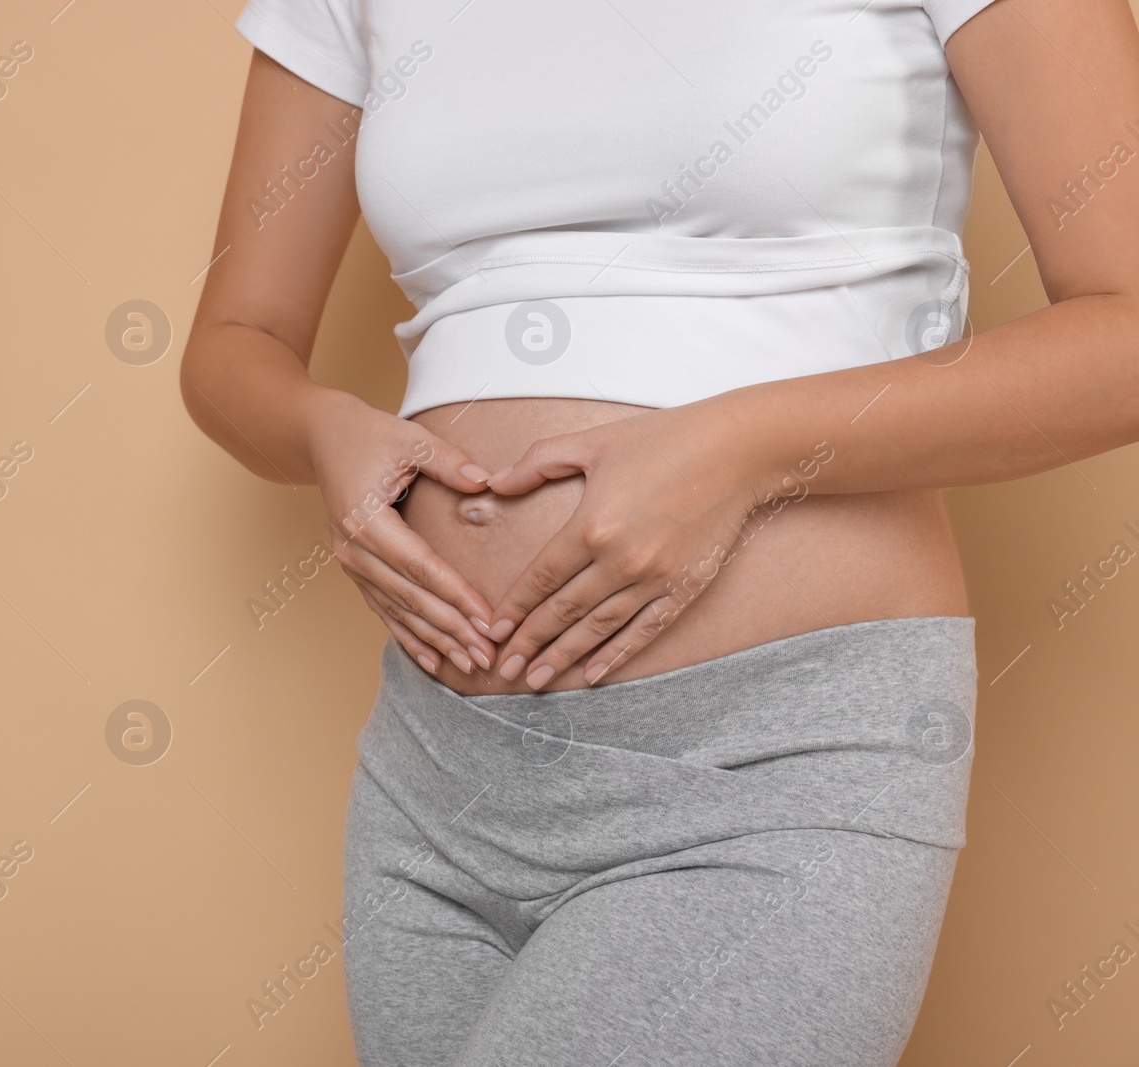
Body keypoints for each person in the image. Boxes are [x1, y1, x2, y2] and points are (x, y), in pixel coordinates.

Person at [181, 1, 1139, 1062]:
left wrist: (742, 448)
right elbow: (236, 339)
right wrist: (324, 433)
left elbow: (1126, 331)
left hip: (770, 753)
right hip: (434, 768)